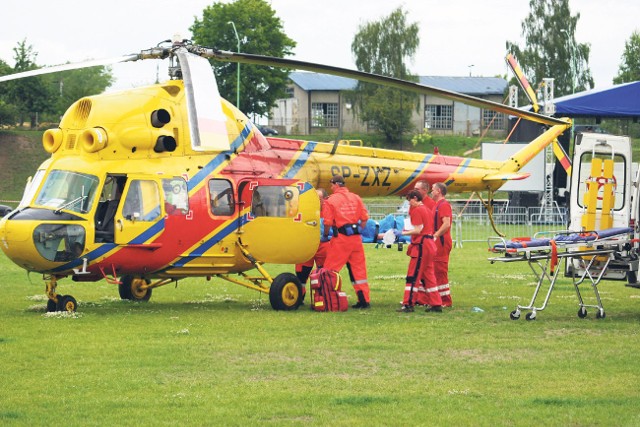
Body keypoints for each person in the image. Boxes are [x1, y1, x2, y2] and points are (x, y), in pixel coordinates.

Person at [322, 175, 371, 309]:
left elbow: (327, 222)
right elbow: (365, 219)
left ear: (336, 185)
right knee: (359, 271)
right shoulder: (356, 197)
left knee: (329, 270)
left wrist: (326, 235)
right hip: (356, 240)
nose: (331, 188)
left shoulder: (331, 200)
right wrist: (357, 230)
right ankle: (364, 300)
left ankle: (328, 299)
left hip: (341, 240)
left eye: (331, 185)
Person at [396, 189, 443, 313]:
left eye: (410, 201)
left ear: (415, 198)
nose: (409, 203)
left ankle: (408, 304)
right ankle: (436, 303)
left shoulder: (418, 210)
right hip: (429, 244)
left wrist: (402, 233)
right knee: (428, 275)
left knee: (413, 275)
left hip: (422, 245)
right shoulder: (427, 209)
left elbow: (418, 230)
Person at [295, 189, 332, 301]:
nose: (316, 201)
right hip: (307, 244)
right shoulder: (305, 209)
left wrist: (326, 235)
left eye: (319, 199)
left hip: (323, 245)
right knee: (302, 272)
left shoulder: (328, 210)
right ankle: (299, 296)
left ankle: (322, 296)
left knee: (323, 271)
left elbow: (329, 223)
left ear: (325, 199)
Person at [431, 182, 453, 307]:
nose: (431, 192)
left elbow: (446, 224)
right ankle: (437, 297)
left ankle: (445, 300)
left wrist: (436, 235)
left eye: (433, 190)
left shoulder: (444, 205)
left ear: (438, 191)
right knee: (435, 270)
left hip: (442, 242)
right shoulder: (437, 205)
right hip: (438, 242)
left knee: (440, 270)